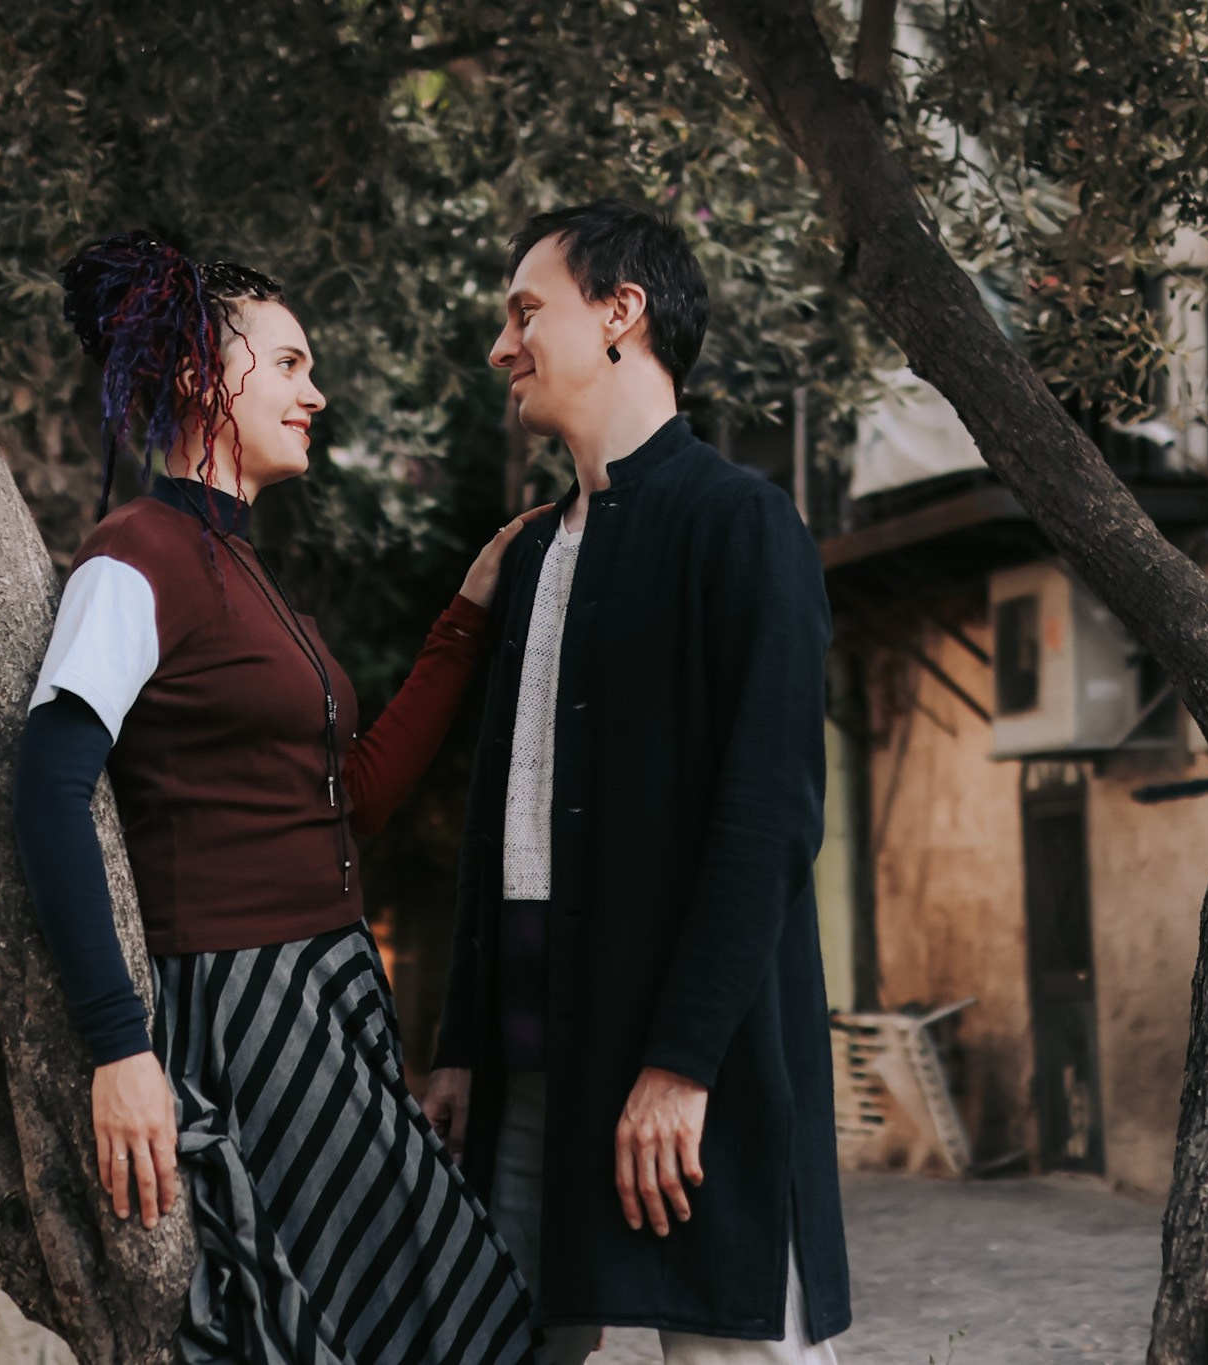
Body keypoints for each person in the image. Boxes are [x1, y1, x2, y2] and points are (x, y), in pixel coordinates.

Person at [14, 231, 541, 1365]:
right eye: (292, 364)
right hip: (244, 1005)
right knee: (429, 1322)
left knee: (437, 1311)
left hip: (326, 989)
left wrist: (465, 617)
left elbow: (342, 804)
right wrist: (119, 1048)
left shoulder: (240, 569)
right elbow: (49, 790)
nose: (315, 392)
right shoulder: (134, 556)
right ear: (209, 370)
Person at [421, 201, 851, 1363]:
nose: (503, 348)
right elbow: (495, 820)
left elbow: (765, 820)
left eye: (525, 313)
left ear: (621, 313)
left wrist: (679, 1065)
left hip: (689, 1081)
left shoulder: (744, 528)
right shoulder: (526, 555)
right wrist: (461, 1043)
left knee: (722, 1346)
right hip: (523, 1071)